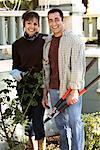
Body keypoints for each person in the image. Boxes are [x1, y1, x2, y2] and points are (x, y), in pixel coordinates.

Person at [42, 8, 86, 150]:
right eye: (50, 20)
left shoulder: (73, 39)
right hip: (54, 89)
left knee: (75, 123)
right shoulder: (47, 42)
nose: (54, 23)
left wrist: (74, 90)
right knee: (61, 125)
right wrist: (45, 93)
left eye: (56, 19)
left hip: (70, 89)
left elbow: (78, 65)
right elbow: (46, 70)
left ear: (62, 20)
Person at [10, 10, 47, 150]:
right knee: (27, 120)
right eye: (29, 23)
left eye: (35, 23)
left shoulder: (45, 40)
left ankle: (42, 148)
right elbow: (16, 65)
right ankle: (32, 147)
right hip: (24, 87)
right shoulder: (17, 44)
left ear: (39, 25)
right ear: (24, 24)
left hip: (39, 86)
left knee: (38, 120)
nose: (32, 26)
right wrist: (15, 72)